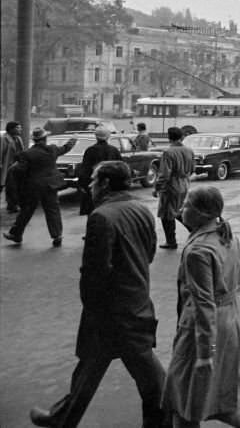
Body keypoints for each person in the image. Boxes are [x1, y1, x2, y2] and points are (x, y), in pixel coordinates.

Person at [28, 161, 167, 428]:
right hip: (136, 304)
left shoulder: (101, 217)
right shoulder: (141, 209)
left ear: (104, 183)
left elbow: (95, 273)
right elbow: (148, 254)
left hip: (112, 312)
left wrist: (92, 309)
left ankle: (162, 421)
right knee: (92, 369)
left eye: (93, 180)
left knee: (148, 377)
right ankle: (62, 418)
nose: (90, 185)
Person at [164, 186, 240, 428]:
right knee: (221, 400)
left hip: (205, 332)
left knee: (184, 400)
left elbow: (204, 306)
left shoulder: (198, 251)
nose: (180, 210)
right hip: (231, 322)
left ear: (200, 214)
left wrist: (206, 353)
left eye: (186, 206)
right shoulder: (226, 235)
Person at [3, 128, 76, 247]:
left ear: (34, 140)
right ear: (45, 138)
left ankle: (16, 234)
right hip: (50, 186)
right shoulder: (52, 149)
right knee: (52, 210)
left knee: (26, 211)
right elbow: (65, 148)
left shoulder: (27, 154)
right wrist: (73, 139)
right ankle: (57, 235)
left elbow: (20, 170)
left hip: (33, 187)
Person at [155, 127, 195, 250]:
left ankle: (171, 241)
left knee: (167, 214)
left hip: (171, 185)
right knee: (178, 210)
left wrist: (157, 188)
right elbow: (193, 169)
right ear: (181, 137)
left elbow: (164, 174)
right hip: (184, 183)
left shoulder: (169, 152)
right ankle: (195, 231)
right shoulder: (189, 151)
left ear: (169, 137)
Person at [77, 126, 122, 216]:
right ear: (108, 137)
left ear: (96, 136)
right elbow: (121, 169)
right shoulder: (114, 150)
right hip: (111, 187)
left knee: (94, 212)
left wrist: (83, 185)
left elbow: (85, 170)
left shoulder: (90, 150)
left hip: (95, 186)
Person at [1, 120, 25, 214]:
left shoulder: (18, 138)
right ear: (11, 129)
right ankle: (12, 205)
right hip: (6, 167)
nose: (20, 129)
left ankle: (13, 205)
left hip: (17, 166)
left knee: (15, 186)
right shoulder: (4, 139)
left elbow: (22, 151)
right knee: (8, 187)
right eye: (18, 128)